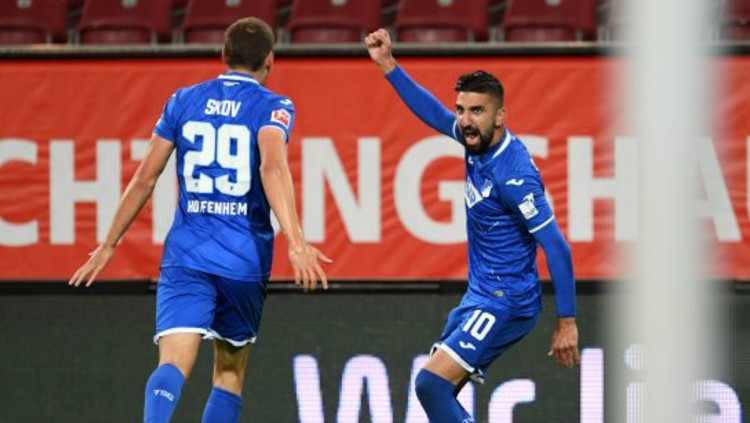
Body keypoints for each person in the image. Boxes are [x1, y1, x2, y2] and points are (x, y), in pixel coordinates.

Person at [68, 17, 331, 423]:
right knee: (229, 375)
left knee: (172, 363)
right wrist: (296, 241)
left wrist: (108, 244)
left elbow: (145, 178)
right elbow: (272, 166)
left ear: (223, 54)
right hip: (244, 261)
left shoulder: (183, 100)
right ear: (270, 60)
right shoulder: (273, 106)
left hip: (187, 256)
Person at [365, 29, 579, 422]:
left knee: (431, 385)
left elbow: (557, 247)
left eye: (476, 111)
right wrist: (388, 65)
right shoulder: (475, 139)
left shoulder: (514, 175)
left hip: (506, 299)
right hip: (480, 294)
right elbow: (433, 113)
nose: (464, 121)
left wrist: (567, 322)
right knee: (439, 392)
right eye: (461, 109)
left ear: (500, 116)